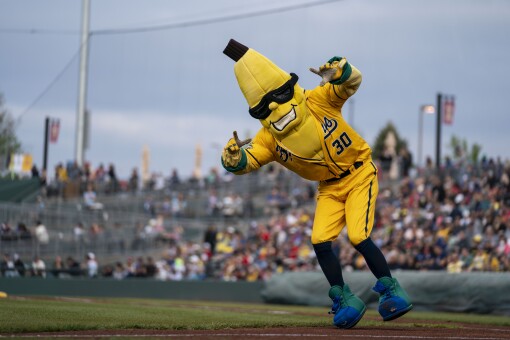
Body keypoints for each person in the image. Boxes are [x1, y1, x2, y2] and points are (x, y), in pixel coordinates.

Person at [221, 39, 412, 328]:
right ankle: (345, 298)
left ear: (292, 88)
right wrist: (232, 157)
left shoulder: (317, 99)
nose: (273, 106)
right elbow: (248, 162)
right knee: (320, 241)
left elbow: (351, 83)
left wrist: (341, 71)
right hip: (329, 187)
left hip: (358, 172)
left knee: (358, 236)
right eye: (263, 108)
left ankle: (391, 289)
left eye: (280, 94)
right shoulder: (268, 137)